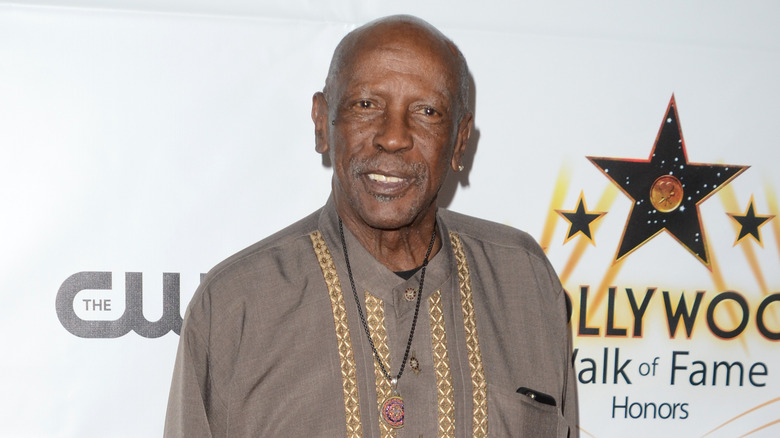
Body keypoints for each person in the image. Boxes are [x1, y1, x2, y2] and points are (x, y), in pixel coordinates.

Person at [165, 14, 578, 438]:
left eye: (427, 111)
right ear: (322, 122)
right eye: (366, 105)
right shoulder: (236, 307)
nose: (393, 136)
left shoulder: (525, 281)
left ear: (459, 140)